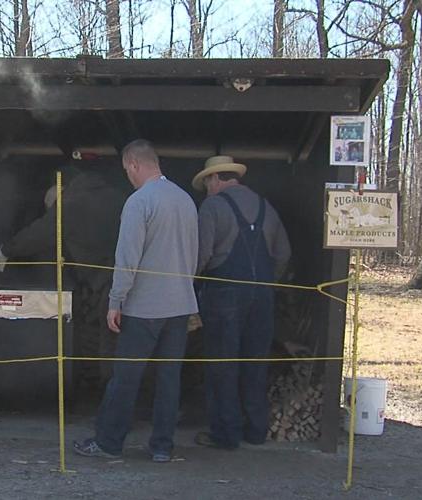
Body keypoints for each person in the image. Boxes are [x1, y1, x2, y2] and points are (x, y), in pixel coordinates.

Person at [73, 139, 198, 463]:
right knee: (169, 379)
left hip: (145, 307)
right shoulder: (185, 200)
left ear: (133, 165)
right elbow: (195, 256)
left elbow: (127, 258)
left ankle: (109, 443)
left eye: (126, 171)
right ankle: (162, 447)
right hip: (181, 305)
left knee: (126, 377)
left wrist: (116, 300)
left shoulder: (138, 202)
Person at [0, 158, 129, 391]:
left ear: (60, 189)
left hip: (105, 283)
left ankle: (109, 403)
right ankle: (119, 397)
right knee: (120, 343)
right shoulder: (116, 197)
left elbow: (42, 231)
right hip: (127, 279)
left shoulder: (73, 202)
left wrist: (5, 251)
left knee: (107, 344)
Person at [191, 155, 291, 449]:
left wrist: (190, 284)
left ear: (215, 179)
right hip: (262, 297)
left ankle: (225, 433)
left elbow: (201, 255)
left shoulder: (212, 206)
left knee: (222, 365)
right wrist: (270, 282)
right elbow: (283, 254)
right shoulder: (265, 207)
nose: (207, 188)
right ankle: (256, 430)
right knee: (255, 363)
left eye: (207, 182)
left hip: (223, 295)